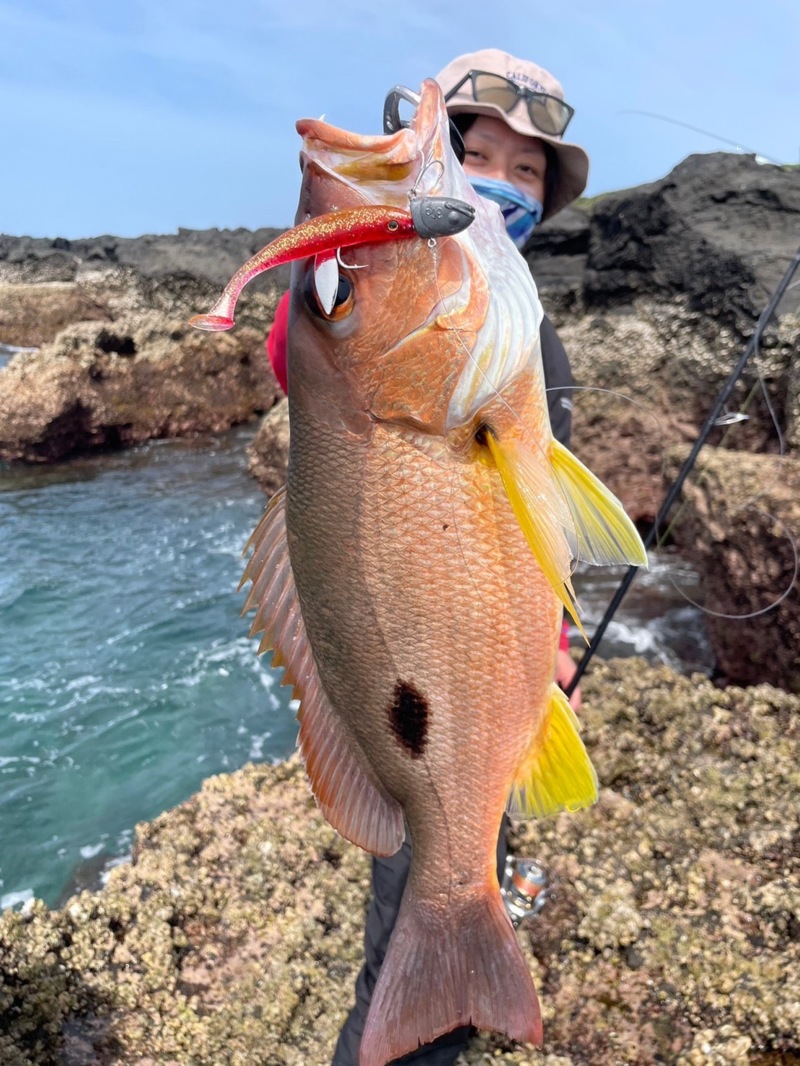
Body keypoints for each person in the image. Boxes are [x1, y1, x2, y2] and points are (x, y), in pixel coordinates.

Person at [265, 46, 590, 1065]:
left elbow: (539, 522)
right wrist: (338, 248)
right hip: (423, 700)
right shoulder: (355, 316)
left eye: (525, 168)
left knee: (477, 843)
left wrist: (554, 646)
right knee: (412, 919)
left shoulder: (512, 315)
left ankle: (456, 947)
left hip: (492, 661)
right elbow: (306, 339)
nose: (499, 177)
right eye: (472, 151)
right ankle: (415, 1017)